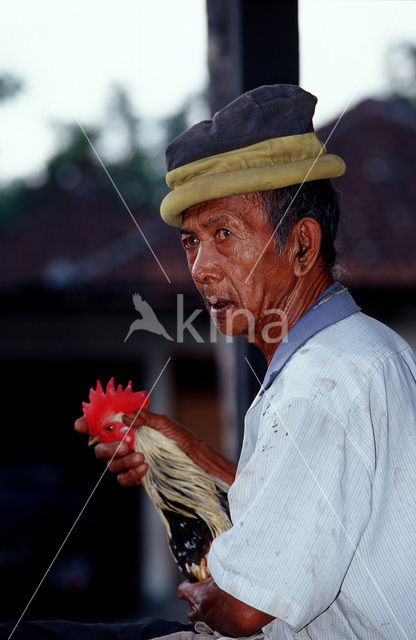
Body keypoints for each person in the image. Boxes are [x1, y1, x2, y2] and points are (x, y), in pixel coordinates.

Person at [6, 85, 416, 639]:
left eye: (224, 234)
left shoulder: (321, 384)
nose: (201, 267)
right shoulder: (361, 351)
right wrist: (190, 454)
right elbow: (305, 501)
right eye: (191, 242)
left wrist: (202, 593)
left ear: (301, 245)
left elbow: (244, 609)